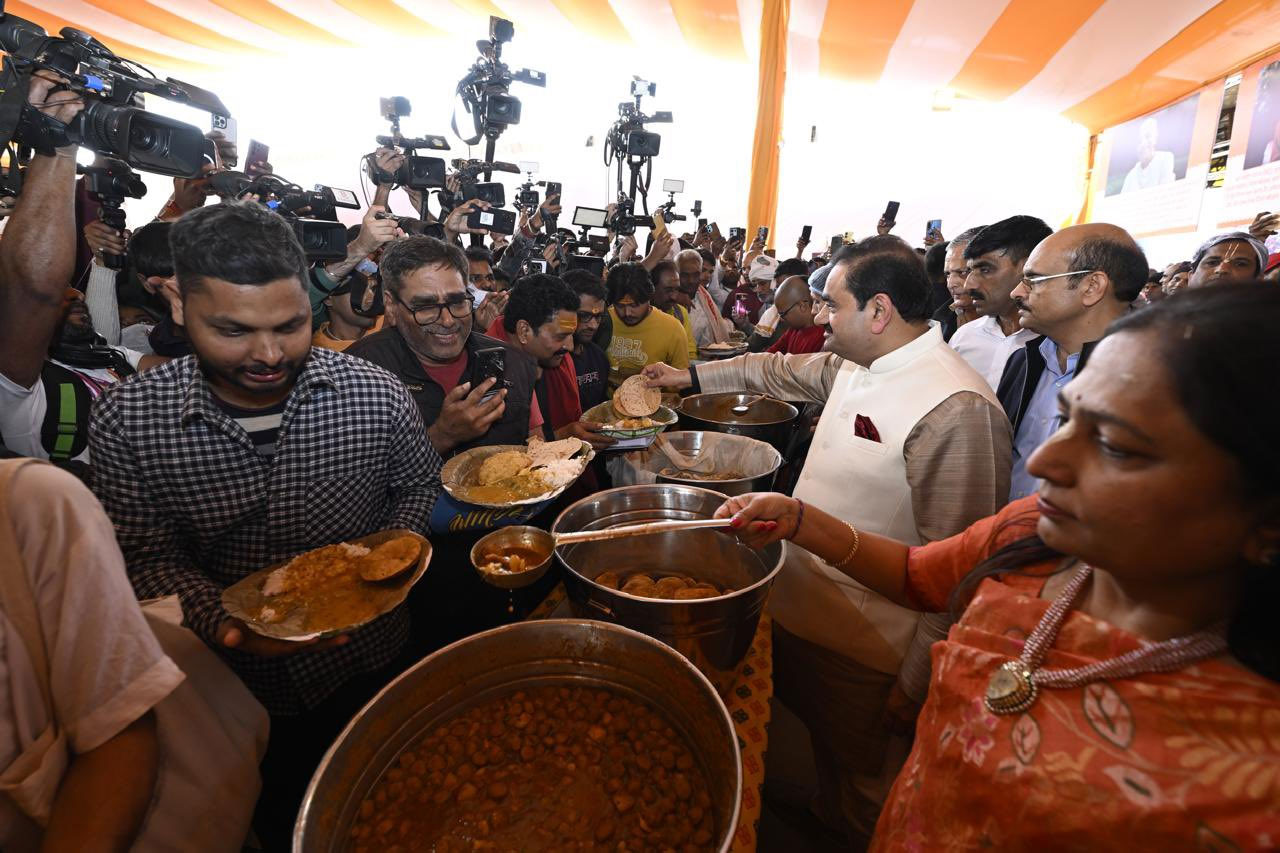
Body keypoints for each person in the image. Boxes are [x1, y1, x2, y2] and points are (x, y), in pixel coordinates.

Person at [719, 283, 1280, 850]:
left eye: (1115, 446)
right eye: (1067, 420)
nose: (1043, 461)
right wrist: (798, 520)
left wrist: (909, 687)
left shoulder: (1247, 788)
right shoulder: (1033, 534)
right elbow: (920, 575)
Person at [87, 201, 442, 849]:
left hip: (376, 660)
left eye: (291, 325)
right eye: (234, 330)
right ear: (177, 303)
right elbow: (145, 559)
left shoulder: (377, 392)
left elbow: (416, 484)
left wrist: (391, 560)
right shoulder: (129, 422)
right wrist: (229, 626)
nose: (269, 354)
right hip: (235, 692)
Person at [644, 248, 1011, 845]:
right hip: (800, 613)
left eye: (830, 303)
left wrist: (916, 683)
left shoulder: (955, 408)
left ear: (878, 310)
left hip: (869, 653)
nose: (819, 314)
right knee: (804, 765)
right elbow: (768, 371)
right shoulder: (855, 365)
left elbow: (961, 572)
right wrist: (686, 377)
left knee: (865, 791)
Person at [0, 458, 267, 852]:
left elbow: (119, 736)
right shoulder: (129, 418)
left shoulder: (28, 503)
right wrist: (221, 616)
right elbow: (148, 557)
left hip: (359, 662)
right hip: (238, 663)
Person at [0, 74, 163, 467]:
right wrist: (57, 144)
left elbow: (212, 370)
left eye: (74, 290)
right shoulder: (19, 393)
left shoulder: (111, 357)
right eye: (65, 292)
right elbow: (33, 290)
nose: (73, 293)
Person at [347, 236, 541, 455]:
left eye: (457, 302)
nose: (448, 321)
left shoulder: (514, 363)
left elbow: (533, 460)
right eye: (426, 306)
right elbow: (353, 484)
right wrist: (442, 436)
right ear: (391, 305)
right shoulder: (355, 377)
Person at [998, 223, 1148, 500]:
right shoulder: (1024, 359)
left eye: (1034, 279)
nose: (1016, 292)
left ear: (1092, 286)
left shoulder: (1146, 379)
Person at [485, 274, 613, 450]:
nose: (569, 346)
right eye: (561, 336)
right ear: (524, 331)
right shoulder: (490, 374)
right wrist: (562, 437)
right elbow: (506, 461)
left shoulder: (526, 360)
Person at [950, 216, 1052, 390]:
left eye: (985, 269)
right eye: (969, 271)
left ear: (1029, 267)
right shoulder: (963, 338)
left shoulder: (1058, 348)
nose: (969, 285)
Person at [604, 261, 689, 391]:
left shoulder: (673, 329)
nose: (627, 313)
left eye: (634, 305)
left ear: (649, 297)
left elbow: (680, 384)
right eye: (620, 305)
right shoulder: (603, 322)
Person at [563, 268, 612, 411]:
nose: (593, 325)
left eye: (598, 317)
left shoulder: (599, 358)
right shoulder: (550, 360)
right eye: (584, 316)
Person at [931, 226, 984, 342]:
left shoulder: (1023, 327)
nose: (951, 284)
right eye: (948, 274)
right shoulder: (936, 325)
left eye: (963, 272)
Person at [677, 248, 732, 348]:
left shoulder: (703, 295)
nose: (691, 280)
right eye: (685, 275)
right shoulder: (670, 301)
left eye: (696, 274)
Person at [311, 272, 380, 352]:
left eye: (373, 289)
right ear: (328, 299)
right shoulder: (320, 352)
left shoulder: (387, 320)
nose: (371, 300)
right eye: (359, 291)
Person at [650, 260, 699, 361]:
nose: (674, 296)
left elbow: (689, 354)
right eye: (668, 290)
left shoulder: (680, 313)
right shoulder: (638, 315)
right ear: (652, 288)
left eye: (677, 290)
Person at [765, 275, 825, 355]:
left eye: (783, 314)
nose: (781, 319)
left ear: (802, 306)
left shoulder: (822, 337)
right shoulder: (794, 329)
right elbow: (770, 355)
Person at [1186, 231, 1267, 288]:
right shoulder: (1173, 311)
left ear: (1259, 280)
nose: (1222, 269)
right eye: (1212, 262)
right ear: (1191, 276)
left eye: (1240, 264)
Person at [1120, 117, 1177, 193]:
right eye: (1139, 140)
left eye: (1148, 136)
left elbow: (1166, 192)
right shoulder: (1130, 176)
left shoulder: (1166, 158)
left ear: (1155, 139)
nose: (1143, 143)